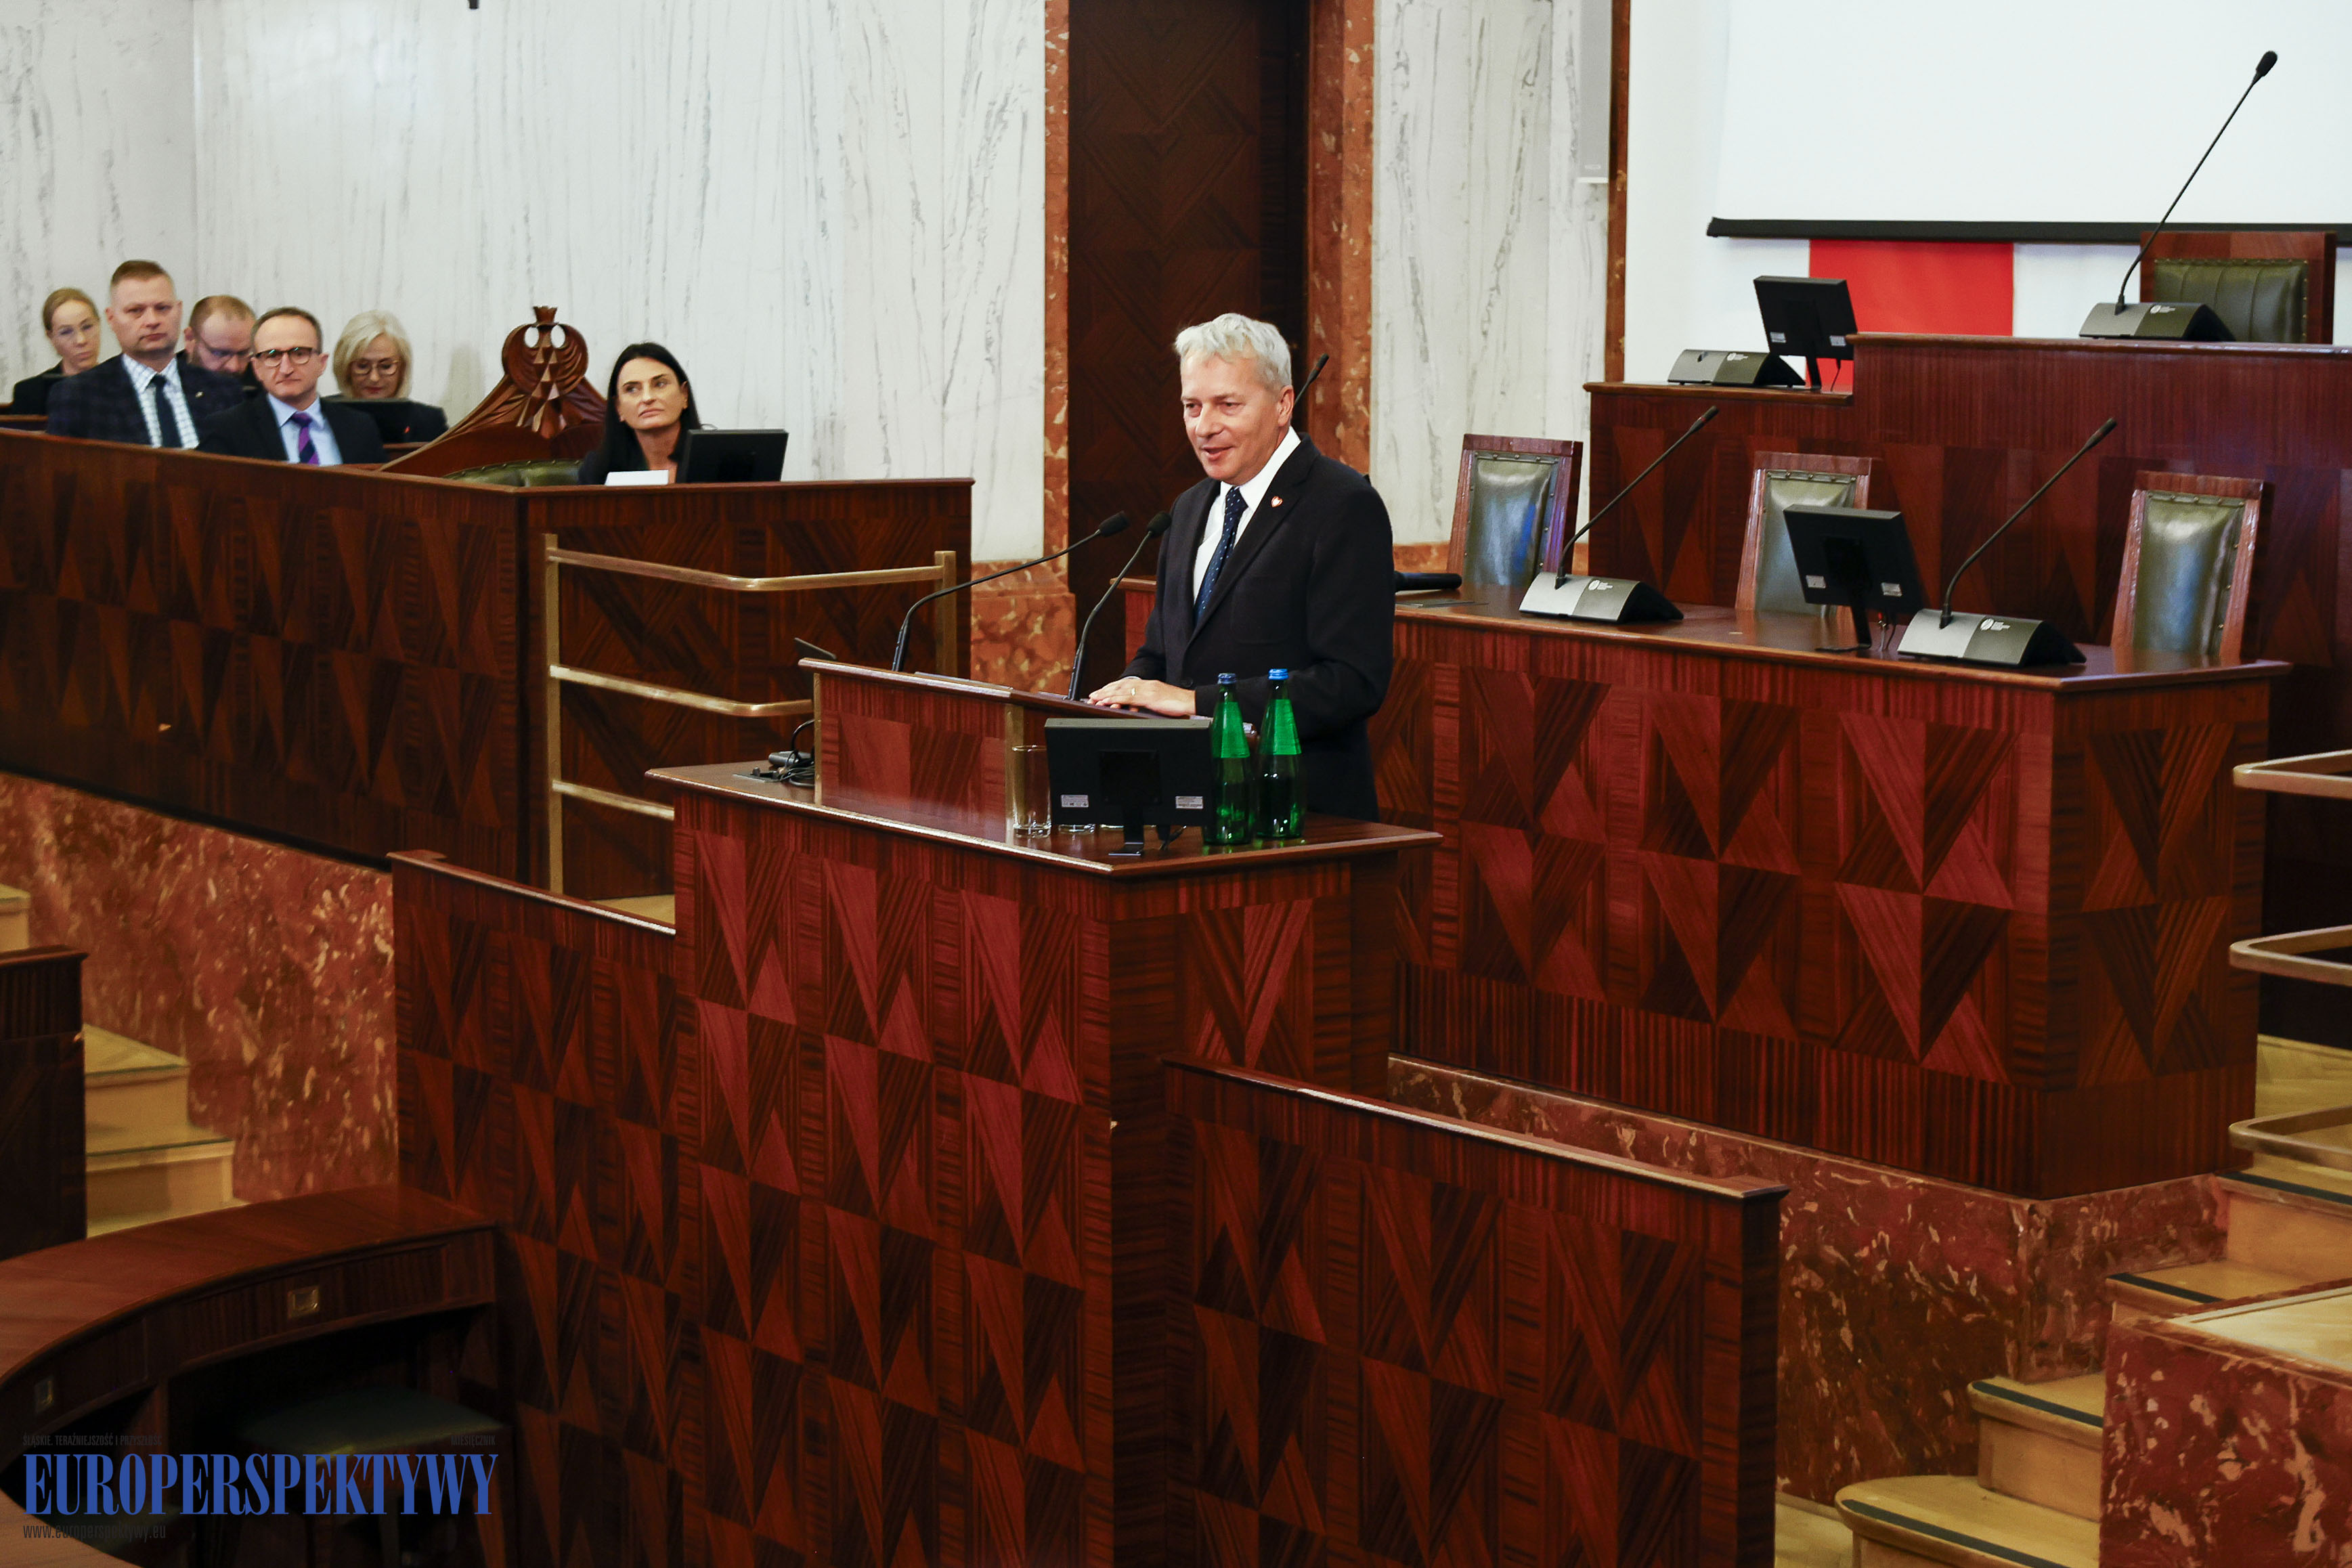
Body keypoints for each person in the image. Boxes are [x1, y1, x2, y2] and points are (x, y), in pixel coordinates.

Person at [1089, 312, 1393, 821]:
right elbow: (1162, 656)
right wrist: (1125, 696)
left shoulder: (1342, 505)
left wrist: (1198, 703)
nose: (1205, 427)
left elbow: (1350, 682)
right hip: (1191, 808)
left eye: (1227, 405)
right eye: (1192, 406)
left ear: (1282, 405)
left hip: (1299, 814)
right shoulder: (1188, 510)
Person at [45, 261, 243, 445]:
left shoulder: (223, 391)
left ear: (179, 311)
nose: (152, 321)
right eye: (136, 311)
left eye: (163, 308)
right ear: (112, 319)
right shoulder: (79, 396)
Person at [194, 307, 387, 466]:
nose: (286, 369)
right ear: (257, 368)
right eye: (273, 356)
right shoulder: (227, 430)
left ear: (322, 363)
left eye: (299, 354)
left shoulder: (359, 427)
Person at [575, 342, 701, 484]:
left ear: (684, 395)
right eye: (632, 390)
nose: (647, 398)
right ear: (618, 408)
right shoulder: (598, 470)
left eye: (660, 384)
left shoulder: (717, 460)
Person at [326, 310, 448, 442]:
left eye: (386, 366)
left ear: (403, 368)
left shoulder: (430, 423)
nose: (374, 378)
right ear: (346, 369)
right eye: (362, 366)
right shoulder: (323, 418)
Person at [7, 288, 103, 414]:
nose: (81, 340)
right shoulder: (30, 393)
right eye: (66, 332)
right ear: (51, 338)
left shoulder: (125, 383)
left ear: (99, 325)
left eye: (87, 327)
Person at [180, 296, 255, 378]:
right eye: (220, 353)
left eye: (243, 353)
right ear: (190, 339)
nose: (234, 367)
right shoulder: (167, 383)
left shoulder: (261, 380)